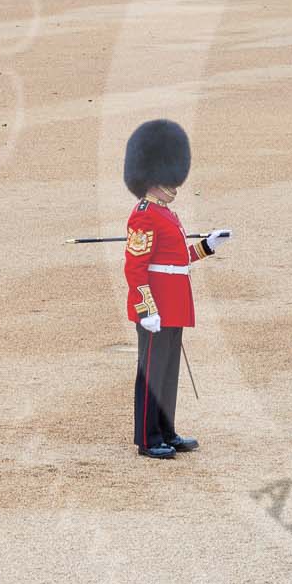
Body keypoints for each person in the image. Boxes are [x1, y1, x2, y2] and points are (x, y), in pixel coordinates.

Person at [120, 119, 230, 460]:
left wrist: (207, 246)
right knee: (152, 372)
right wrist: (146, 309)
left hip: (174, 303)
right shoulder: (143, 215)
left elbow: (177, 259)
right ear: (153, 180)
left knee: (167, 372)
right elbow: (135, 267)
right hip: (156, 307)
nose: (175, 186)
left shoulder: (166, 213)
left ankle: (166, 430)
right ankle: (147, 438)